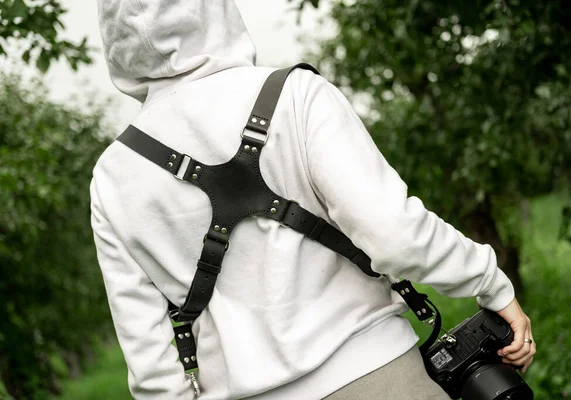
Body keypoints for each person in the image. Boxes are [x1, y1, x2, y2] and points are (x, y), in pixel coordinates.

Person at [90, 0, 535, 399]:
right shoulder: (294, 95)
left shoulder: (112, 175)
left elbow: (150, 365)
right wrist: (489, 283)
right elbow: (396, 235)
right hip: (376, 378)